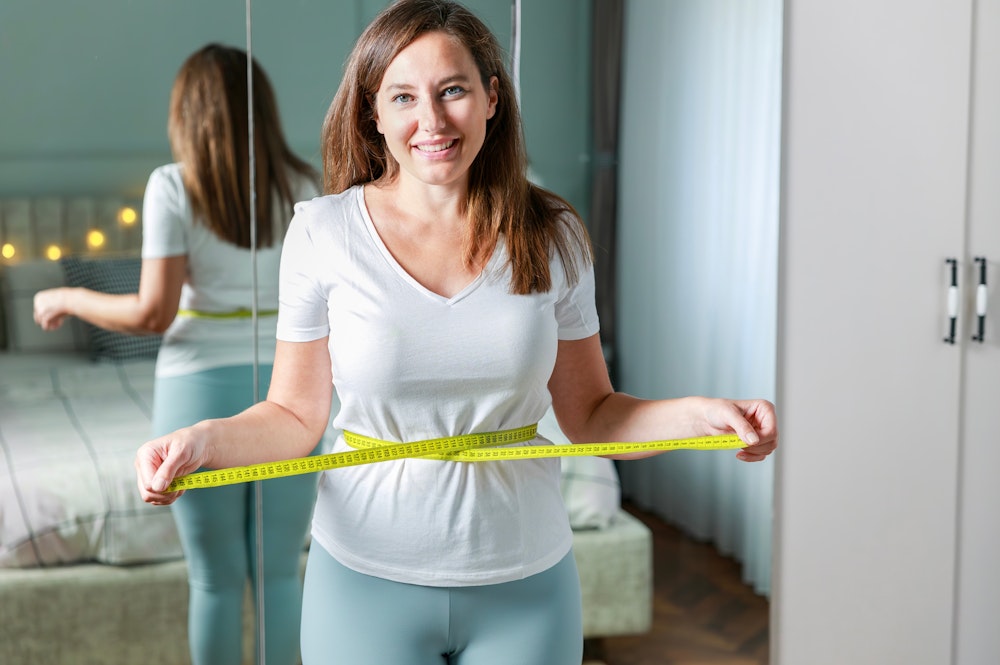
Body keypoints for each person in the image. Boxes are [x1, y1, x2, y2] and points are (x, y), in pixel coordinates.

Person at [134, 3, 778, 664]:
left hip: (526, 584)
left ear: (492, 97)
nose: (432, 121)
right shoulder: (322, 234)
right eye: (404, 97)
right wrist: (201, 440)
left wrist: (702, 413)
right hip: (364, 582)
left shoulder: (553, 234)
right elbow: (295, 416)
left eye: (453, 91)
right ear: (371, 113)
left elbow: (591, 414)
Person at [35, 44, 322, 665]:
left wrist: (68, 295)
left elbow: (150, 314)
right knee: (279, 574)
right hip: (292, 383)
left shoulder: (173, 187)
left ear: (187, 114)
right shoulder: (305, 185)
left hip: (198, 384)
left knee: (215, 578)